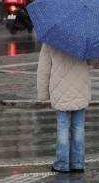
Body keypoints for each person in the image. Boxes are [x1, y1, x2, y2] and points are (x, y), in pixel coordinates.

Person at [37, 44, 92, 173]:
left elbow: (44, 69)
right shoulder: (83, 36)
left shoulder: (49, 41)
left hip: (60, 90)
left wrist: (43, 94)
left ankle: (62, 164)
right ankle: (77, 163)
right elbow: (92, 61)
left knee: (62, 127)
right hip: (80, 88)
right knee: (78, 128)